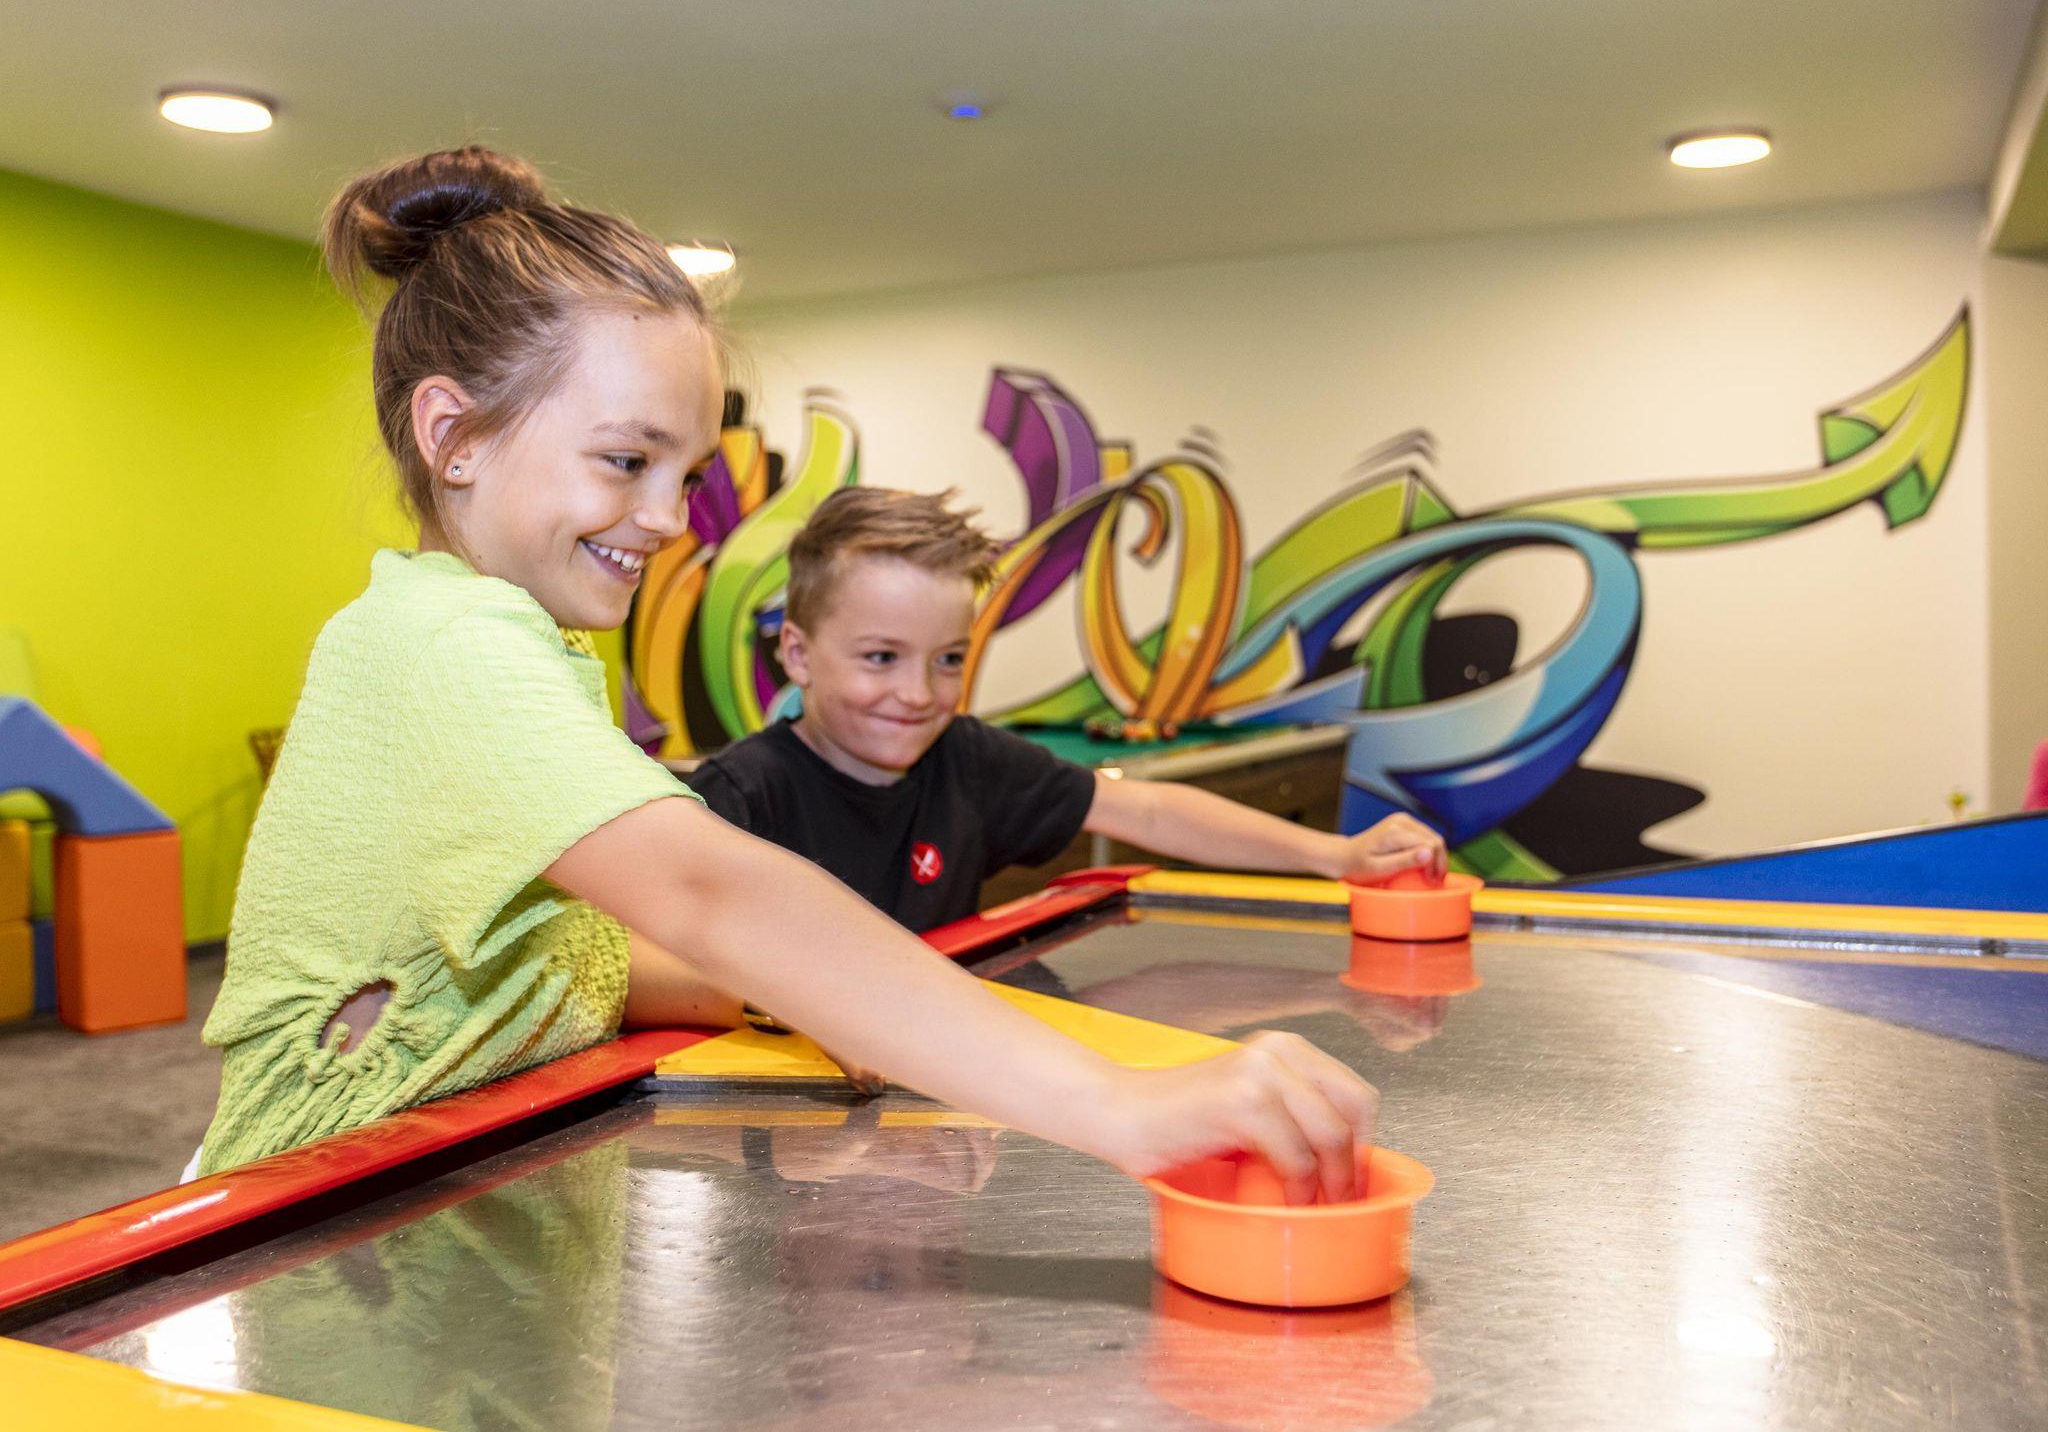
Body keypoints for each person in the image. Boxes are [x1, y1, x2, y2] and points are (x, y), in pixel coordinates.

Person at [192, 146, 1375, 1208]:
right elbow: (713, 893)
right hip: (327, 1229)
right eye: (625, 459)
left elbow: (570, 961)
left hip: (447, 1216)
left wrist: (805, 997)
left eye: (683, 473)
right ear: (452, 435)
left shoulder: (516, 644)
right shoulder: (446, 645)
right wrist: (1119, 1101)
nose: (669, 518)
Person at [685, 485, 1448, 932]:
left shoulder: (966, 758)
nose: (918, 695)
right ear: (798, 655)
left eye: (948, 660)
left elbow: (1148, 812)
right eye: (881, 658)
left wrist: (1337, 857)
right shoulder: (742, 795)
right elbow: (666, 955)